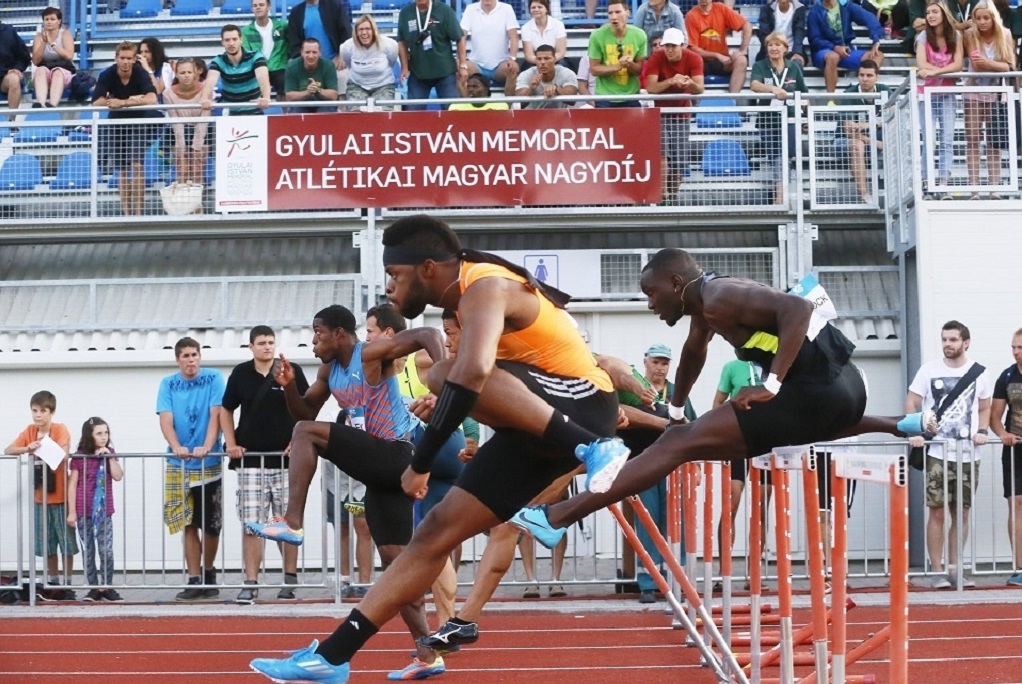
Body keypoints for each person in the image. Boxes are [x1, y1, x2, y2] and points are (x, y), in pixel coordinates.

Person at [248, 214, 627, 684]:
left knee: (444, 374)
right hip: (533, 430)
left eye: (394, 276)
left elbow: (469, 375)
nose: (388, 288)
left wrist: (421, 463)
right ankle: (332, 656)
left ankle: (595, 449)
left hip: (581, 407)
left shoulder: (485, 286)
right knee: (433, 536)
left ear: (427, 268)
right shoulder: (462, 302)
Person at [510, 248, 941, 556]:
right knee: (692, 433)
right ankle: (901, 423)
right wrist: (674, 410)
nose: (649, 303)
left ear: (676, 283)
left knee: (672, 448)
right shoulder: (705, 307)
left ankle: (555, 517)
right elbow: (693, 354)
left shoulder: (721, 296)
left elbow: (797, 309)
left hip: (819, 392)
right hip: (843, 395)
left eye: (651, 292)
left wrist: (771, 384)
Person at [247, 304, 454, 680]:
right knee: (398, 568)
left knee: (305, 436)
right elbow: (306, 412)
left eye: (318, 333)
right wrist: (290, 386)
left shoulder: (370, 354)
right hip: (381, 474)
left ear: (340, 333)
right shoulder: (329, 370)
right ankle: (428, 653)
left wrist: (446, 384)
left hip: (395, 455)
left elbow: (428, 335)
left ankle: (292, 523)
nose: (313, 342)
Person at [221, 325, 310, 604]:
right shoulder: (240, 374)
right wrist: (231, 443)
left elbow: (307, 408)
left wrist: (299, 441)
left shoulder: (290, 369)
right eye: (261, 342)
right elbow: (226, 408)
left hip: (286, 462)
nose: (267, 347)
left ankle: (290, 579)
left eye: (271, 342)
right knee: (252, 524)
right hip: (250, 462)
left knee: (287, 523)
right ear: (251, 346)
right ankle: (250, 581)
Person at [907, 320, 991, 589]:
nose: (947, 344)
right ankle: (937, 569)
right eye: (944, 339)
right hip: (937, 452)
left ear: (966, 342)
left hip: (968, 454)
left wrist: (984, 430)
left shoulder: (979, 373)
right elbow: (912, 399)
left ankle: (956, 569)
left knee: (962, 512)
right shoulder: (928, 370)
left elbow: (984, 407)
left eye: (953, 340)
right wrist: (915, 429)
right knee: (937, 512)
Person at [616, 344, 697, 603]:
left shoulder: (677, 393)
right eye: (656, 362)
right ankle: (648, 582)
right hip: (641, 464)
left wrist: (694, 465)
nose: (660, 368)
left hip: (672, 466)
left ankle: (678, 579)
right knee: (647, 522)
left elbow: (692, 429)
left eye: (665, 363)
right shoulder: (633, 392)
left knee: (676, 524)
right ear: (645, 363)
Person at [157, 337, 226, 602]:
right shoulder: (168, 384)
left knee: (211, 523)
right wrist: (176, 446)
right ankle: (194, 577)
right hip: (180, 463)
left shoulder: (214, 379)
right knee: (186, 521)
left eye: (194, 355)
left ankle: (209, 572)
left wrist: (207, 446)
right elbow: (166, 419)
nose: (190, 360)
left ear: (200, 356)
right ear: (178, 359)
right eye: (185, 356)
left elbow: (216, 415)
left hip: (208, 463)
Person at [4, 391, 77, 601]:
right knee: (47, 543)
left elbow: (63, 454)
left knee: (66, 543)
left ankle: (68, 582)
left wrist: (43, 446)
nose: (37, 415)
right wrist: (27, 447)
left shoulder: (59, 428)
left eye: (42, 411)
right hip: (40, 496)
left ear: (51, 412)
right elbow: (9, 449)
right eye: (34, 410)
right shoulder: (29, 430)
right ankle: (53, 582)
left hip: (61, 495)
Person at [712, 354, 764, 592]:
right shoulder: (732, 366)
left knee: (761, 510)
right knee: (731, 503)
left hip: (767, 443)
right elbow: (718, 404)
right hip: (739, 441)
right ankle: (725, 574)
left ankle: (755, 573)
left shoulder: (774, 365)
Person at [92, 41, 162, 216]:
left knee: (137, 165)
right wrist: (131, 100)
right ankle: (127, 213)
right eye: (122, 58)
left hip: (137, 122)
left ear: (134, 59)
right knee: (122, 169)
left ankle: (138, 213)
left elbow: (152, 98)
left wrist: (122, 102)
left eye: (129, 58)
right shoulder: (107, 74)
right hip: (116, 124)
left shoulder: (140, 72)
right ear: (116, 58)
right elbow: (96, 101)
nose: (125, 62)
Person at [644, 26, 704, 204]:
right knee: (662, 155)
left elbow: (699, 88)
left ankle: (672, 196)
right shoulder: (657, 57)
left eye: (673, 46)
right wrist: (671, 80)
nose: (669, 50)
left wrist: (688, 82)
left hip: (681, 113)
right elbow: (651, 88)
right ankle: (663, 197)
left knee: (679, 160)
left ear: (682, 45)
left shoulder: (694, 58)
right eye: (667, 46)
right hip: (660, 114)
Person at [67, 417, 124, 602]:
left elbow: (117, 476)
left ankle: (106, 585)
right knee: (88, 550)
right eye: (99, 433)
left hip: (103, 511)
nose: (103, 437)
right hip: (83, 510)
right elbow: (73, 484)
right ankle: (93, 587)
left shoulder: (110, 453)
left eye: (106, 433)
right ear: (89, 436)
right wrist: (72, 512)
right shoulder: (79, 456)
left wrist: (108, 457)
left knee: (106, 550)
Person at [963, 1, 1014, 199]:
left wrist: (994, 65)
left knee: (994, 141)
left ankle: (994, 188)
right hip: (973, 90)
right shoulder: (969, 35)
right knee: (973, 139)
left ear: (993, 17)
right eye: (978, 18)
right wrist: (998, 65)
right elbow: (977, 65)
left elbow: (1010, 66)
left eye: (986, 17)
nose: (983, 22)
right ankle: (974, 189)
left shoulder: (1006, 34)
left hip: (996, 92)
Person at [750, 31, 807, 205]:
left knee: (785, 155)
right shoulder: (760, 65)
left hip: (790, 118)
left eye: (777, 45)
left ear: (785, 48)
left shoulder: (794, 67)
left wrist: (805, 118)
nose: (774, 48)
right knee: (777, 155)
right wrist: (773, 89)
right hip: (768, 120)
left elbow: (803, 94)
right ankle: (781, 196)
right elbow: (754, 85)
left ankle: (781, 196)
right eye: (770, 45)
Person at [915, 0, 963, 194]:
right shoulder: (922, 36)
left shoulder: (956, 36)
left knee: (947, 139)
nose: (931, 16)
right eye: (928, 13)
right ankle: (927, 180)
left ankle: (943, 181)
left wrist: (934, 72)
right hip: (926, 94)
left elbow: (958, 65)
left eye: (935, 12)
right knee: (929, 139)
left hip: (947, 94)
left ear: (944, 14)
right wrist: (944, 71)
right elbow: (921, 65)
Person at [990, 327, 1022, 587]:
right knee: (1017, 503)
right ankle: (1020, 567)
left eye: (1020, 347)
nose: (1016, 352)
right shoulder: (1007, 376)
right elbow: (994, 417)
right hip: (1015, 448)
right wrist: (1003, 434)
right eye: (1013, 347)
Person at [833, 58, 890, 203]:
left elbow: (894, 118)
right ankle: (864, 194)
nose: (865, 79)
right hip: (845, 142)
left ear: (877, 77)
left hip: (875, 138)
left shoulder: (885, 90)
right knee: (857, 144)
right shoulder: (849, 94)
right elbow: (848, 130)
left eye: (869, 75)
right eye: (862, 75)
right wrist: (875, 142)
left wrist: (867, 125)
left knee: (902, 136)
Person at [396, 0, 467, 111]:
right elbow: (401, 41)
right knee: (413, 113)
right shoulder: (405, 13)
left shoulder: (444, 10)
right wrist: (404, 67)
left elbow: (459, 37)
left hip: (445, 72)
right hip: (418, 73)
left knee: (453, 111)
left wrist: (463, 65)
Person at [807, 0, 884, 92]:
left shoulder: (846, 6)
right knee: (833, 56)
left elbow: (870, 18)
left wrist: (876, 40)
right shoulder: (815, 12)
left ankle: (865, 93)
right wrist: (834, 48)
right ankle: (831, 100)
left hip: (846, 51)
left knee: (877, 55)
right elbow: (814, 39)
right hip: (823, 52)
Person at [588, 0, 648, 107]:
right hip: (605, 97)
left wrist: (629, 64)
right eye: (610, 13)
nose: (613, 17)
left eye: (617, 12)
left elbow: (639, 71)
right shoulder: (597, 35)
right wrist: (617, 66)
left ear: (627, 13)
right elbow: (594, 69)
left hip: (631, 96)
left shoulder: (640, 35)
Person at [202, 24, 271, 116]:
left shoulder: (256, 57)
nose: (231, 43)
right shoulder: (218, 61)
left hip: (254, 110)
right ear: (222, 42)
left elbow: (263, 77)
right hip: (230, 112)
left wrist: (266, 97)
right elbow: (210, 80)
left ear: (241, 40)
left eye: (234, 39)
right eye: (227, 40)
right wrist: (204, 98)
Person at [685, 0, 752, 93]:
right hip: (702, 61)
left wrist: (743, 50)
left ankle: (732, 100)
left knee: (742, 61)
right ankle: (696, 102)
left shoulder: (721, 9)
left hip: (723, 62)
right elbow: (693, 48)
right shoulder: (691, 15)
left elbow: (747, 25)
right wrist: (717, 55)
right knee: (692, 62)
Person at [163, 58, 210, 185]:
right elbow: (175, 121)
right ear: (176, 74)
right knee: (182, 170)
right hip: (177, 131)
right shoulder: (167, 94)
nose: (186, 76)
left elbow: (203, 120)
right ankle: (183, 202)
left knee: (197, 169)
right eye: (182, 73)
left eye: (189, 72)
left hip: (202, 130)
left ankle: (198, 203)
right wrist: (181, 147)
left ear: (195, 73)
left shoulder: (206, 90)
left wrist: (196, 147)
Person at [338, 15, 398, 105]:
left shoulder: (389, 44)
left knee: (382, 114)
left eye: (368, 29)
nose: (364, 33)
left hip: (384, 85)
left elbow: (392, 60)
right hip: (357, 85)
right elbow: (348, 63)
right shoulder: (346, 47)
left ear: (374, 31)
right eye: (361, 29)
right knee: (355, 114)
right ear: (356, 32)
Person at [460, 0, 520, 90]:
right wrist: (462, 62)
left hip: (500, 65)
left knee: (513, 69)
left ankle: (510, 103)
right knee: (459, 68)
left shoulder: (507, 8)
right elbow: (461, 37)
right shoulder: (470, 9)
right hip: (476, 65)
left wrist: (512, 59)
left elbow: (514, 37)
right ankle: (464, 103)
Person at [286, 0, 352, 74]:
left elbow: (345, 31)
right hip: (308, 62)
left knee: (342, 75)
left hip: (334, 61)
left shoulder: (335, 7)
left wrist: (342, 55)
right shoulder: (296, 12)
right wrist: (303, 62)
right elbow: (294, 41)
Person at [242, 0, 290, 98]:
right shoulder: (245, 31)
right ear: (252, 9)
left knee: (285, 86)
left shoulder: (282, 27)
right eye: (255, 5)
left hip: (278, 67)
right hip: (257, 68)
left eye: (261, 5)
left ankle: (286, 113)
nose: (258, 7)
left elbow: (290, 46)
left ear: (269, 7)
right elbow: (246, 53)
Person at [31, 7, 75, 108]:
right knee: (40, 70)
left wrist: (52, 44)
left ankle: (52, 104)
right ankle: (41, 103)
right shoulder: (39, 37)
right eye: (46, 19)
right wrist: (43, 43)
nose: (49, 22)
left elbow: (69, 56)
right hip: (46, 70)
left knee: (57, 72)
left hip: (64, 70)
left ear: (59, 21)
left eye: (52, 19)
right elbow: (35, 61)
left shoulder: (65, 34)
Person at [510, 44, 578, 108]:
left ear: (555, 59)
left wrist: (556, 89)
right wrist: (531, 89)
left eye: (547, 58)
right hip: (532, 116)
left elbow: (572, 99)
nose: (542, 62)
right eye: (539, 59)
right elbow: (518, 103)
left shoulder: (567, 73)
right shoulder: (526, 74)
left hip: (561, 117)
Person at [284, 38, 340, 105]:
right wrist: (307, 92)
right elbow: (289, 96)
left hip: (323, 104)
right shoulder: (292, 66)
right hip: (300, 104)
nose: (311, 56)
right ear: (301, 52)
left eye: (314, 52)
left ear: (320, 52)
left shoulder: (329, 65)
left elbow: (333, 96)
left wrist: (318, 90)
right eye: (307, 52)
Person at [755, 0, 807, 64]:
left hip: (792, 50)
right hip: (771, 50)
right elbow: (764, 34)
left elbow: (799, 32)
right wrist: (773, 50)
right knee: (767, 64)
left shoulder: (799, 9)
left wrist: (797, 52)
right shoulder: (767, 9)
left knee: (797, 63)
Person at [520, 0, 568, 66]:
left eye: (540, 7)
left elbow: (561, 52)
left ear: (546, 9)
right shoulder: (525, 27)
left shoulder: (558, 24)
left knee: (562, 64)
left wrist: (548, 61)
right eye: (533, 7)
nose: (536, 9)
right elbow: (529, 55)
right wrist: (541, 61)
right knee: (526, 66)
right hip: (536, 61)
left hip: (555, 60)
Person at [0, 18, 32, 117]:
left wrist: (17, 68)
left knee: (14, 78)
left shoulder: (9, 32)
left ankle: (12, 121)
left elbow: (24, 56)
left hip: (4, 76)